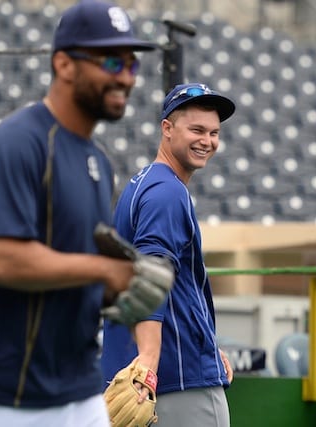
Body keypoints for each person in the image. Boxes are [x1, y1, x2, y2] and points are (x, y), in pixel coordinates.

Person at [0, 1, 157, 426]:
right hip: (2, 397)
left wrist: (119, 290)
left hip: (76, 387)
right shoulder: (16, 144)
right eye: (112, 61)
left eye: (132, 66)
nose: (125, 77)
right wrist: (102, 271)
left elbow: (72, 272)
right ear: (63, 64)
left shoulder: (98, 161)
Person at [101, 83, 236, 426]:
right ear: (167, 128)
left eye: (214, 132)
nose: (207, 140)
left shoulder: (142, 183)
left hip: (161, 372)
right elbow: (151, 275)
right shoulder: (167, 192)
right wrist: (148, 359)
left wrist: (205, 343)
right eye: (196, 130)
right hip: (178, 379)